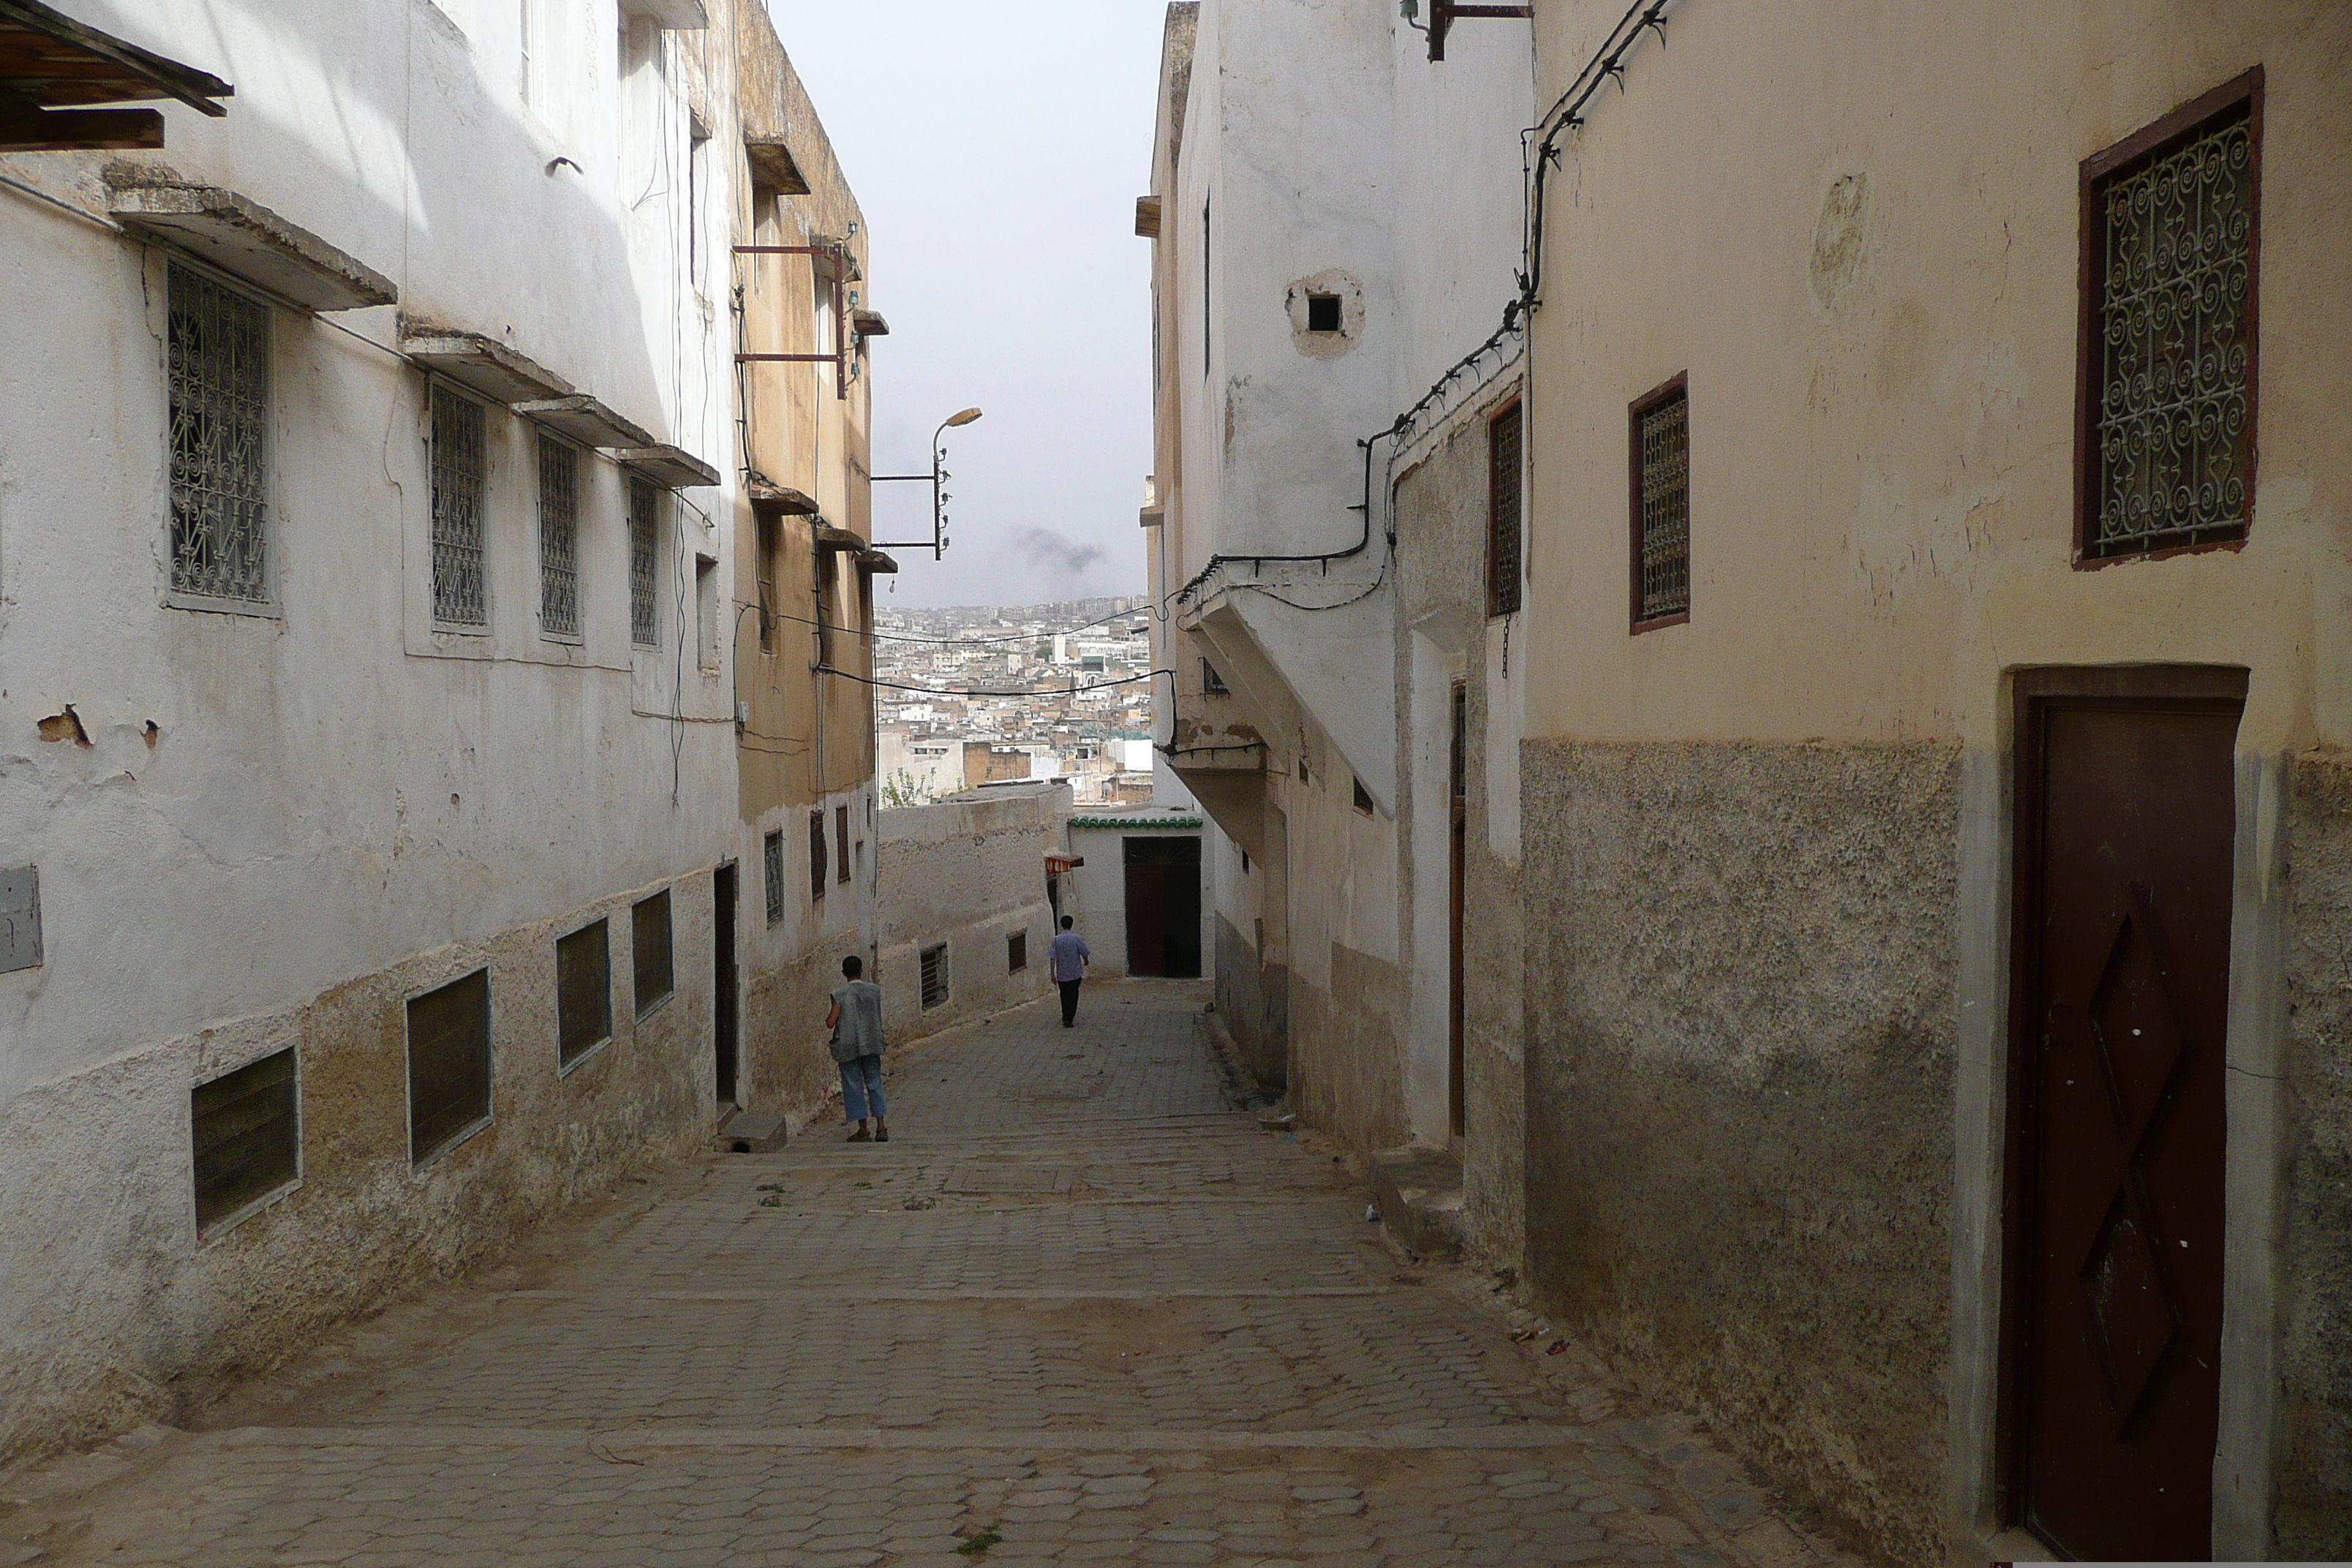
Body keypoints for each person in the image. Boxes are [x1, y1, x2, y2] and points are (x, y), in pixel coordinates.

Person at [826, 954, 888, 1142]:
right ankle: (882, 1127)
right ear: (861, 971)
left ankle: (863, 1130)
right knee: (874, 1083)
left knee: (853, 1086)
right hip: (871, 1043)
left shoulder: (840, 995)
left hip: (848, 1046)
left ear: (844, 973)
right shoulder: (874, 991)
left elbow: (831, 1022)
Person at [1048, 914, 1090, 1028]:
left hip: (1062, 974)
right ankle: (1070, 1017)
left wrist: (1052, 973)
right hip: (1075, 973)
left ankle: (1065, 1016)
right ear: (1071, 925)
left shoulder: (1056, 940)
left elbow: (1052, 957)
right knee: (1073, 994)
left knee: (1064, 995)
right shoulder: (1076, 938)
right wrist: (1086, 961)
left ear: (1062, 925)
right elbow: (1084, 952)